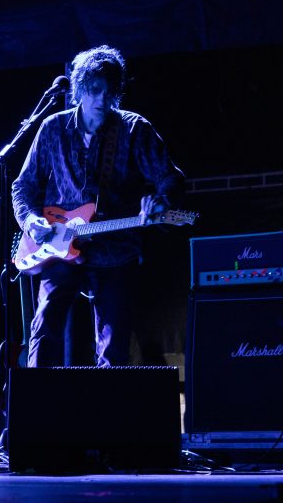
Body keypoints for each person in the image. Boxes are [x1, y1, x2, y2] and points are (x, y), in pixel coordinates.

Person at [11, 45, 184, 368]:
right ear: (79, 89)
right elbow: (23, 186)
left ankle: (108, 401)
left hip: (115, 248)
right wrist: (31, 221)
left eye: (109, 90)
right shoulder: (52, 128)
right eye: (94, 90)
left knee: (113, 345)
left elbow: (171, 178)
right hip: (59, 244)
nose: (102, 99)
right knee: (44, 329)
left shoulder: (134, 129)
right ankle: (37, 396)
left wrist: (161, 201)